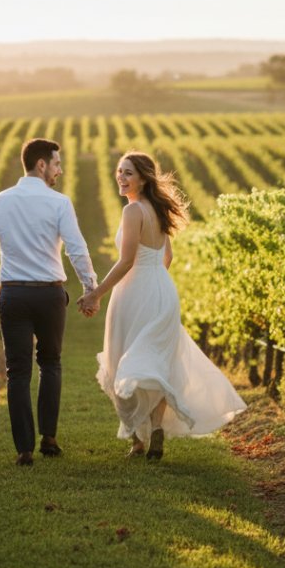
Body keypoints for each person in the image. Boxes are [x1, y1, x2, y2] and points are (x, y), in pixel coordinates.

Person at [78, 151, 246, 460]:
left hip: (135, 293)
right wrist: (155, 282)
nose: (121, 177)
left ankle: (138, 442)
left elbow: (127, 261)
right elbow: (167, 258)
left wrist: (96, 294)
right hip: (162, 291)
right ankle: (153, 431)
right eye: (119, 171)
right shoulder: (158, 210)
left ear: (143, 178)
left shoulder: (133, 212)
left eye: (128, 173)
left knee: (124, 362)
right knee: (156, 361)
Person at [0, 138, 98, 466]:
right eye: (56, 164)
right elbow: (76, 248)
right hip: (49, 294)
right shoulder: (59, 203)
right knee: (51, 363)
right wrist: (90, 287)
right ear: (41, 165)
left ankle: (24, 450)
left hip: (12, 293)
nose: (60, 170)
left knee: (17, 371)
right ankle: (50, 439)